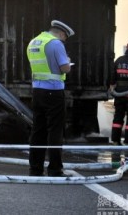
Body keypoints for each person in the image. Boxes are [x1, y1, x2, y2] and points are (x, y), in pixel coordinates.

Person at [26, 20, 74, 177]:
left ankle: (35, 168)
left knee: (37, 130)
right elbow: (64, 68)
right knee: (55, 130)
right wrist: (67, 62)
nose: (64, 40)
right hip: (54, 91)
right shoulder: (56, 44)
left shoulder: (34, 42)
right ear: (61, 33)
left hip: (37, 91)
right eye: (65, 37)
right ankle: (54, 169)